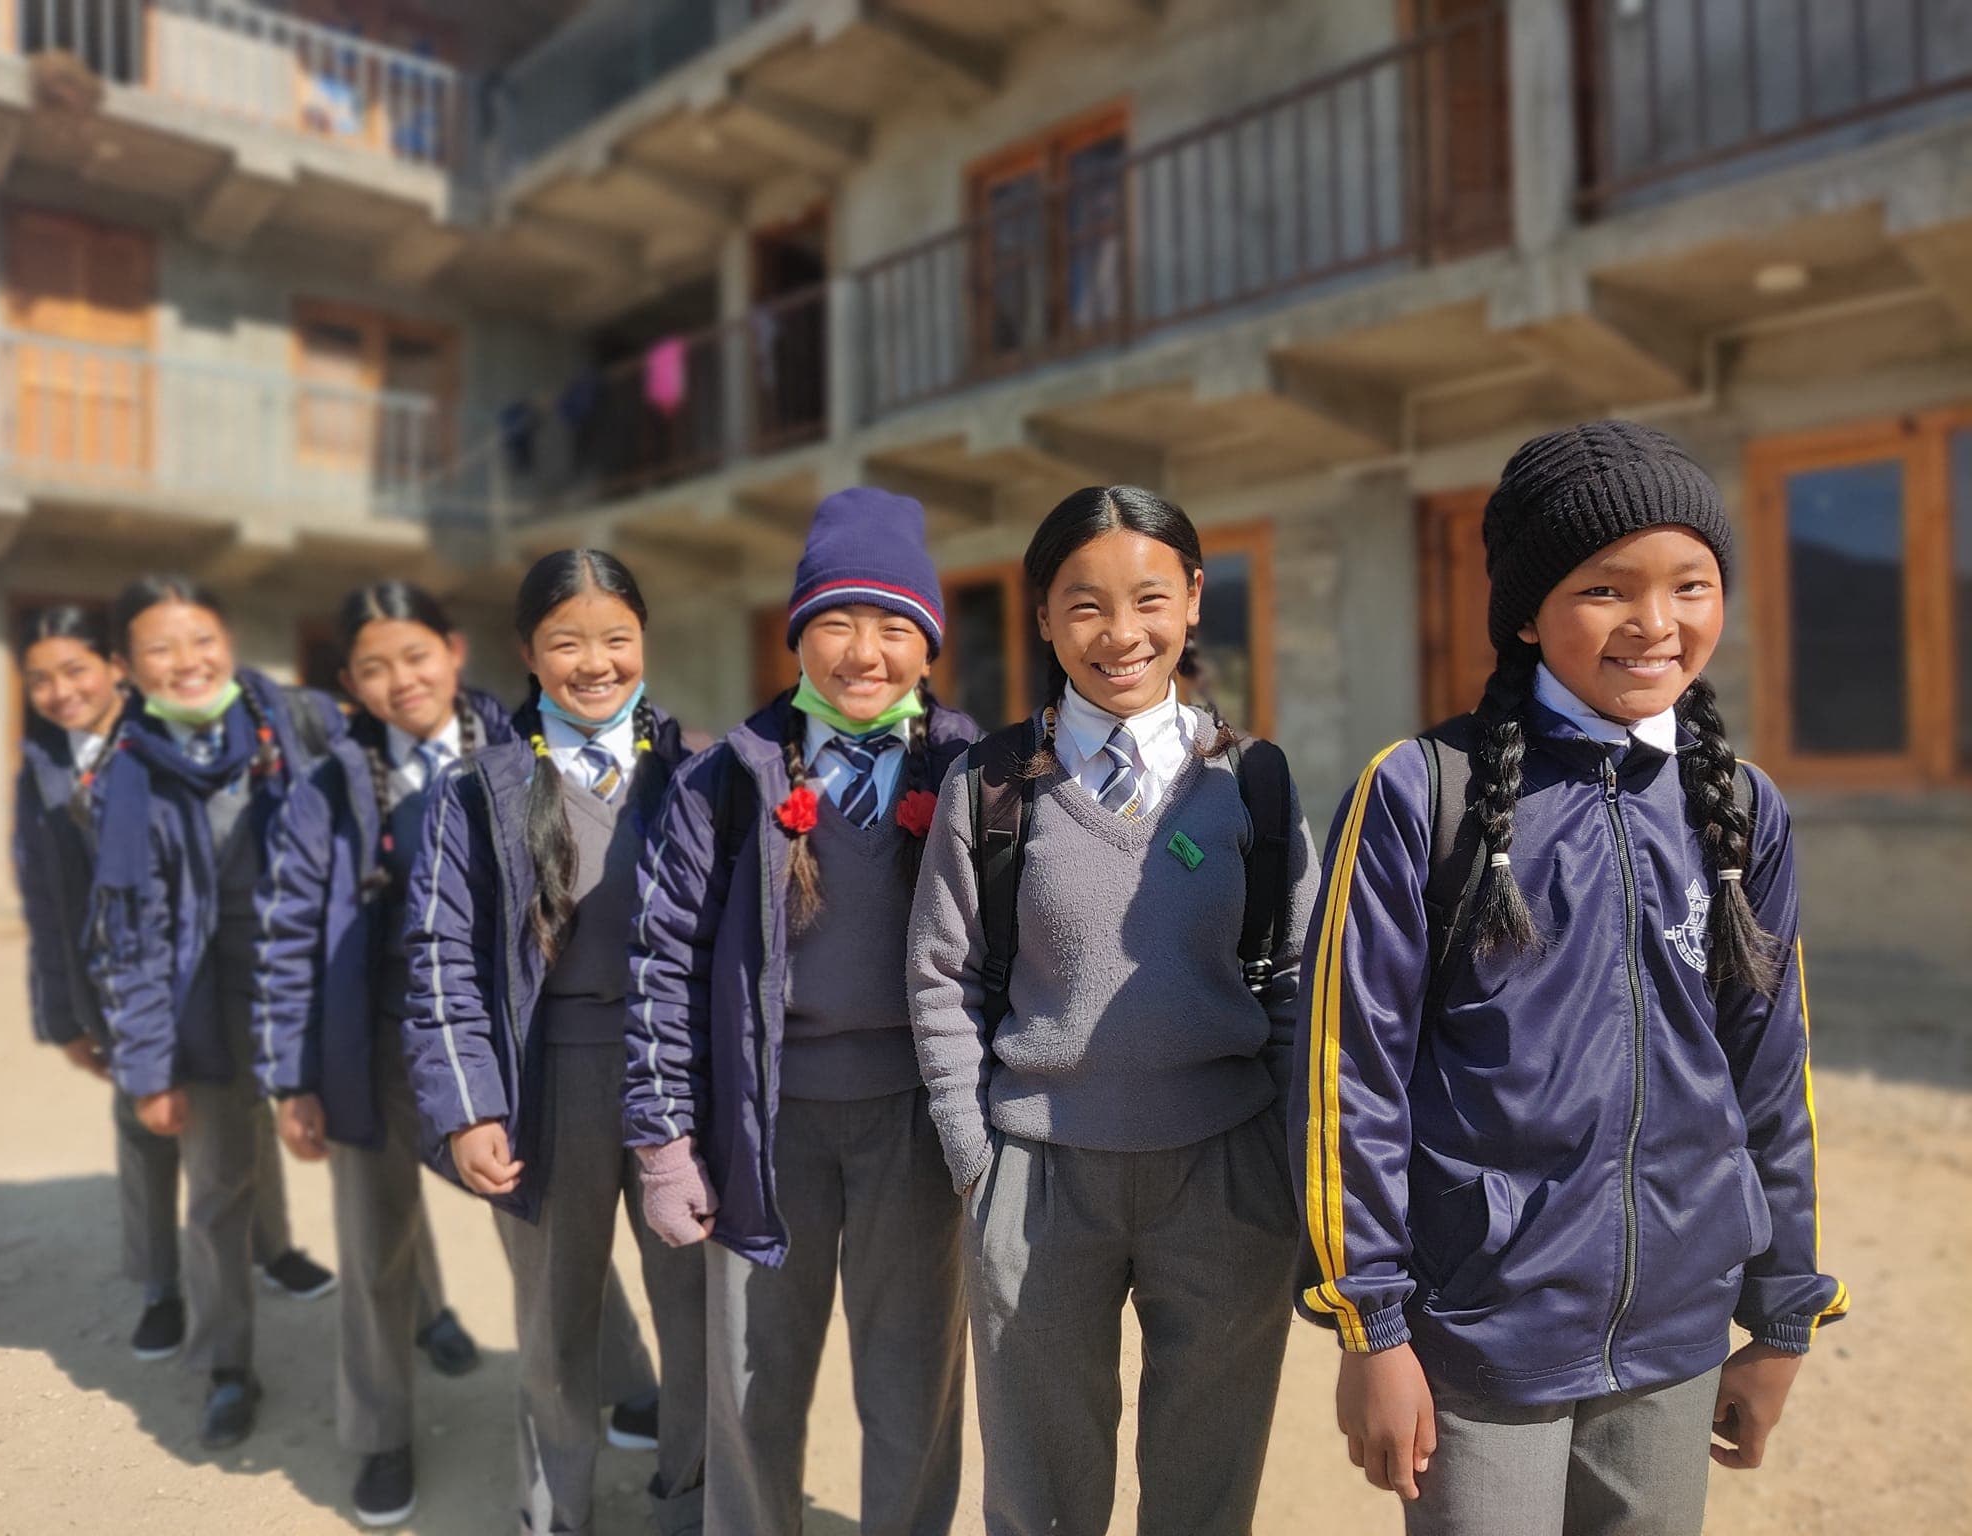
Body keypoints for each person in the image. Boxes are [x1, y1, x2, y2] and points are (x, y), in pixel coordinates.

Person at [1296, 422, 1848, 1536]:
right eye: (1605, 588)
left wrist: (1781, 1314)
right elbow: (1348, 1076)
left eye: (1690, 584)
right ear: (1524, 612)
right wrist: (1372, 1330)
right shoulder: (1421, 792)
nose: (1655, 624)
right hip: (1482, 1331)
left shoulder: (1741, 810)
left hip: (1678, 1332)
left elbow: (1769, 1073)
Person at [906, 484, 1318, 1536]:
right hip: (1038, 1178)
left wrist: (1284, 1160)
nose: (1120, 634)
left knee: (1205, 1486)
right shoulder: (990, 785)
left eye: (1149, 599)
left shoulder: (1255, 783)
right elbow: (942, 974)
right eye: (1084, 604)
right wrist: (974, 1157)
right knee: (1039, 1493)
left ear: (1193, 598)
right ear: (1043, 615)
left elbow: (1295, 978)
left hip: (1223, 1176)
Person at [627, 487, 981, 1536]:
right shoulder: (726, 778)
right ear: (795, 637)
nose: (863, 652)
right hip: (764, 1125)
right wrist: (665, 1138)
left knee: (912, 1379)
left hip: (915, 1128)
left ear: (927, 643)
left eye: (892, 626)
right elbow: (665, 959)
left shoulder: (973, 770)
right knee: (753, 1377)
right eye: (836, 622)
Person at [401, 550, 706, 1536]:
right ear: (527, 654)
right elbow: (440, 956)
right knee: (553, 1319)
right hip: (547, 1081)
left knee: (697, 1307)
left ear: (644, 640)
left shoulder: (704, 771)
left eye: (617, 638)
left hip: (677, 1078)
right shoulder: (475, 789)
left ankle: (691, 1503)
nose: (595, 663)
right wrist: (469, 1108)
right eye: (566, 642)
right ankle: (556, 1510)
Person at [252, 581, 499, 1525]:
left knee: (544, 1227)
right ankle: (381, 1436)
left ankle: (623, 1383)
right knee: (372, 1247)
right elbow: (287, 936)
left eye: (416, 656)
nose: (402, 681)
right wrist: (293, 1079)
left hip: (495, 1044)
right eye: (373, 668)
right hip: (373, 1043)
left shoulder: (515, 750)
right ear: (350, 684)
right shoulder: (328, 786)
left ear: (454, 650)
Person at [82, 576, 339, 1449]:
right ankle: (228, 1366)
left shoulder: (297, 726)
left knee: (373, 1166)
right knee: (218, 1188)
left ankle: (417, 1323)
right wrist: (148, 1069)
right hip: (210, 1005)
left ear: (228, 642)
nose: (187, 662)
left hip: (317, 981)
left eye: (201, 640)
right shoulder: (127, 777)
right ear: (126, 667)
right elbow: (134, 936)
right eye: (160, 648)